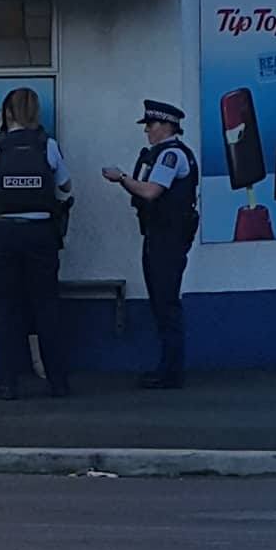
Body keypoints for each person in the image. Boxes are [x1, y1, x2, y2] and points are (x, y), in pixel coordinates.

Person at [0, 87, 72, 400]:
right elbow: (66, 185)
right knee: (47, 306)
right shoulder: (47, 145)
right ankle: (57, 382)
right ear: (35, 112)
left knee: (6, 307)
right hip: (41, 233)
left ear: (7, 113)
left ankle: (7, 383)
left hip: (3, 233)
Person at [103, 100, 198, 388]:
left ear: (167, 126)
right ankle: (167, 368)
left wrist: (121, 178)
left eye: (151, 124)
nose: (147, 130)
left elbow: (151, 191)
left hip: (168, 238)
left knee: (166, 303)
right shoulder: (162, 153)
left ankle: (171, 372)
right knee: (161, 302)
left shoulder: (171, 155)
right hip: (159, 235)